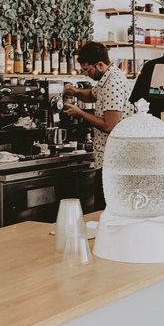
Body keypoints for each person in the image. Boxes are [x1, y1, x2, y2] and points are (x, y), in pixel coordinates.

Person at [63, 41, 133, 210]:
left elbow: (110, 125)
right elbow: (91, 95)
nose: (87, 74)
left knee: (106, 210)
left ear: (100, 64)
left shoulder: (112, 84)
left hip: (114, 159)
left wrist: (80, 113)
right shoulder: (107, 77)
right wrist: (76, 91)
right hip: (108, 157)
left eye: (87, 70)